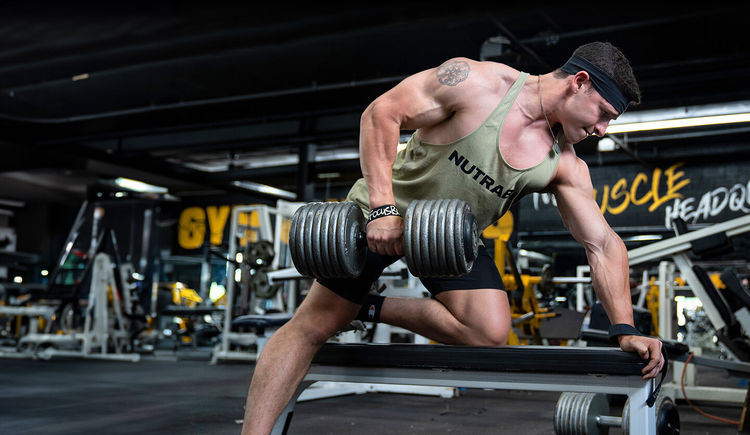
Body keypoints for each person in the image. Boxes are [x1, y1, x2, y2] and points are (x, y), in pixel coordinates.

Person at [241, 41, 665, 434]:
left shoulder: (564, 165)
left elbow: (604, 244)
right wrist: (384, 210)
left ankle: (363, 307)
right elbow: (381, 114)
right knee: (309, 327)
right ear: (579, 82)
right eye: (605, 113)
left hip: (449, 235)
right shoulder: (478, 84)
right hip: (380, 214)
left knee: (488, 332)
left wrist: (623, 330)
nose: (604, 130)